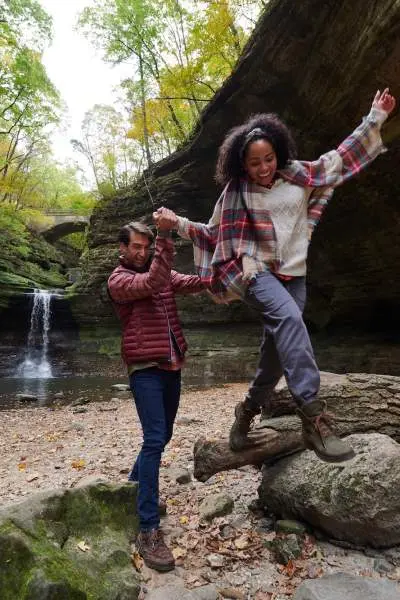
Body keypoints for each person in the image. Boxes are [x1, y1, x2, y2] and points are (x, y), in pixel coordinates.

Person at [154, 88, 396, 463]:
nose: (263, 167)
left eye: (268, 159)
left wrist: (374, 118)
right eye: (254, 163)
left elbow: (340, 159)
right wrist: (178, 224)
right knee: (288, 319)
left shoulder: (299, 175)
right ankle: (315, 417)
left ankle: (246, 412)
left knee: (275, 355)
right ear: (242, 164)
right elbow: (213, 233)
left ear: (278, 154)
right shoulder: (236, 193)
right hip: (253, 270)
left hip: (292, 275)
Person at [107, 220, 203, 572]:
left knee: (164, 436)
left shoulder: (157, 271)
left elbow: (187, 282)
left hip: (171, 365)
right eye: (136, 246)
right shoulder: (119, 280)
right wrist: (165, 236)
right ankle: (147, 527)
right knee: (154, 438)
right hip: (144, 367)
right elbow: (151, 282)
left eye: (147, 246)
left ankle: (133, 489)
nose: (142, 252)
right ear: (122, 248)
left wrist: (222, 277)